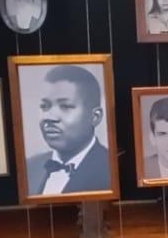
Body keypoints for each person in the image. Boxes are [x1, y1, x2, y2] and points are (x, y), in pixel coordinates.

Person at [26, 66, 111, 195]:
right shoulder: (30, 167)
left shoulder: (111, 169)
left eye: (65, 106)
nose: (50, 117)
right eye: (44, 106)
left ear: (95, 117)